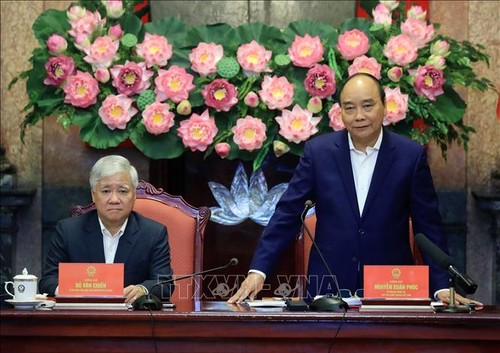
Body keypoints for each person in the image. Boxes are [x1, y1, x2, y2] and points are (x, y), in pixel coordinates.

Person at [228, 73, 482, 307]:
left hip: (391, 288)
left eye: (368, 106)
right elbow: (287, 214)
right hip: (327, 289)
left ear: (384, 106)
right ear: (341, 113)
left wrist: (440, 287)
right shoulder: (319, 153)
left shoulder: (410, 156)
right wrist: (258, 271)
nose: (359, 115)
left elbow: (429, 227)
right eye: (350, 108)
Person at [39, 155, 174, 304]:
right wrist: (70, 291)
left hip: (131, 322)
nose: (114, 200)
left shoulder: (153, 233)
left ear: (134, 195)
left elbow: (165, 284)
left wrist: (143, 290)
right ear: (93, 195)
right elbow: (48, 281)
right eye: (106, 191)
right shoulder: (68, 231)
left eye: (123, 191)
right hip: (82, 319)